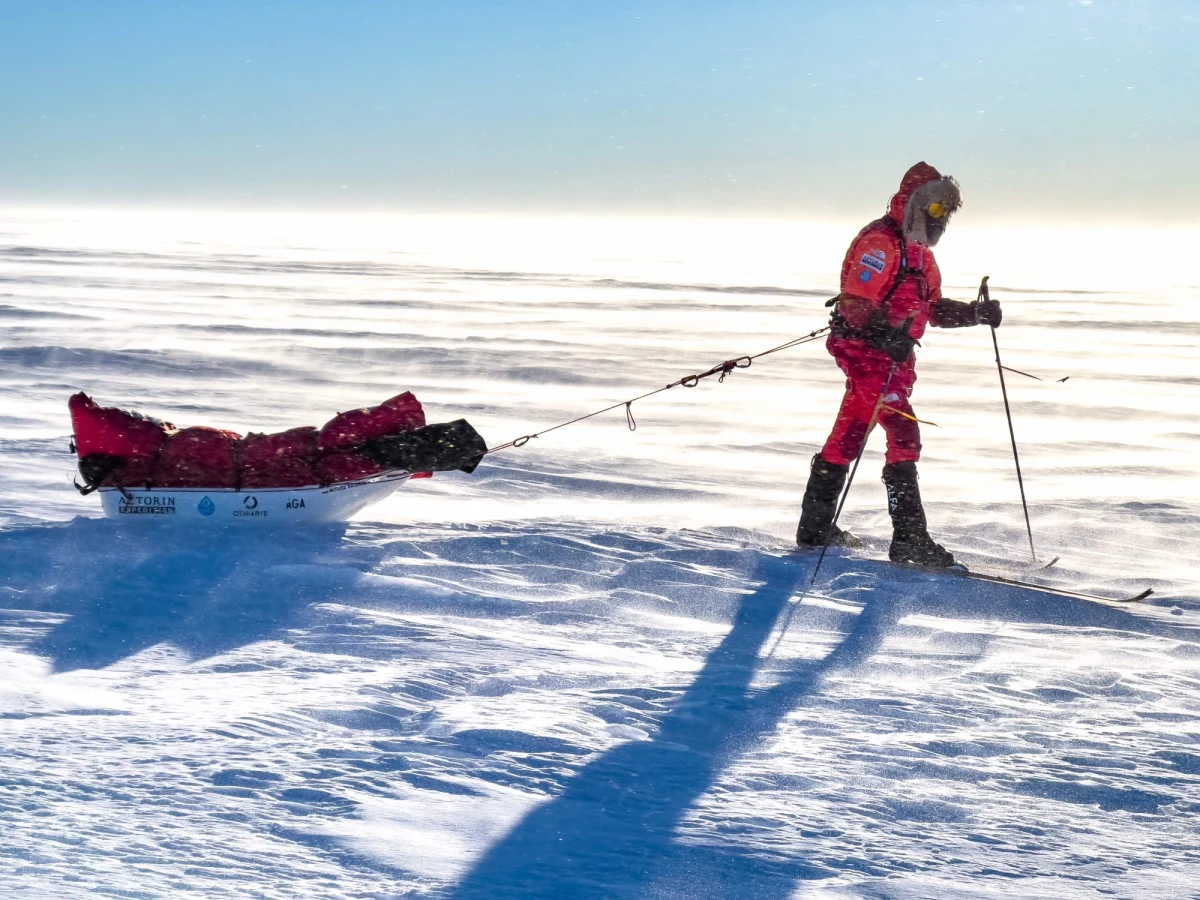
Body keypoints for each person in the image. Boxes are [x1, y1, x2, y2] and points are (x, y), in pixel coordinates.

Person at [796, 161, 1002, 567]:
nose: (940, 218)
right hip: (866, 356)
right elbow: (855, 304)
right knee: (903, 432)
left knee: (850, 435)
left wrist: (975, 314)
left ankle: (815, 528)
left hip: (893, 360)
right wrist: (883, 335)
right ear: (915, 203)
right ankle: (909, 539)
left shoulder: (920, 255)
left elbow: (933, 309)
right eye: (936, 207)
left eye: (947, 211)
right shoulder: (881, 243)